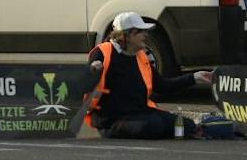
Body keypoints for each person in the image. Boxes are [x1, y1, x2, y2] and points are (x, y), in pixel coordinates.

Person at [84, 11, 212, 139]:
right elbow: (84, 81)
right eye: (140, 32)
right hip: (111, 120)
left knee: (186, 124)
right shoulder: (103, 52)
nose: (146, 35)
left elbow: (162, 86)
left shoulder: (141, 56)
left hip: (140, 113)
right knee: (154, 125)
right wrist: (93, 70)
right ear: (126, 35)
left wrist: (194, 78)